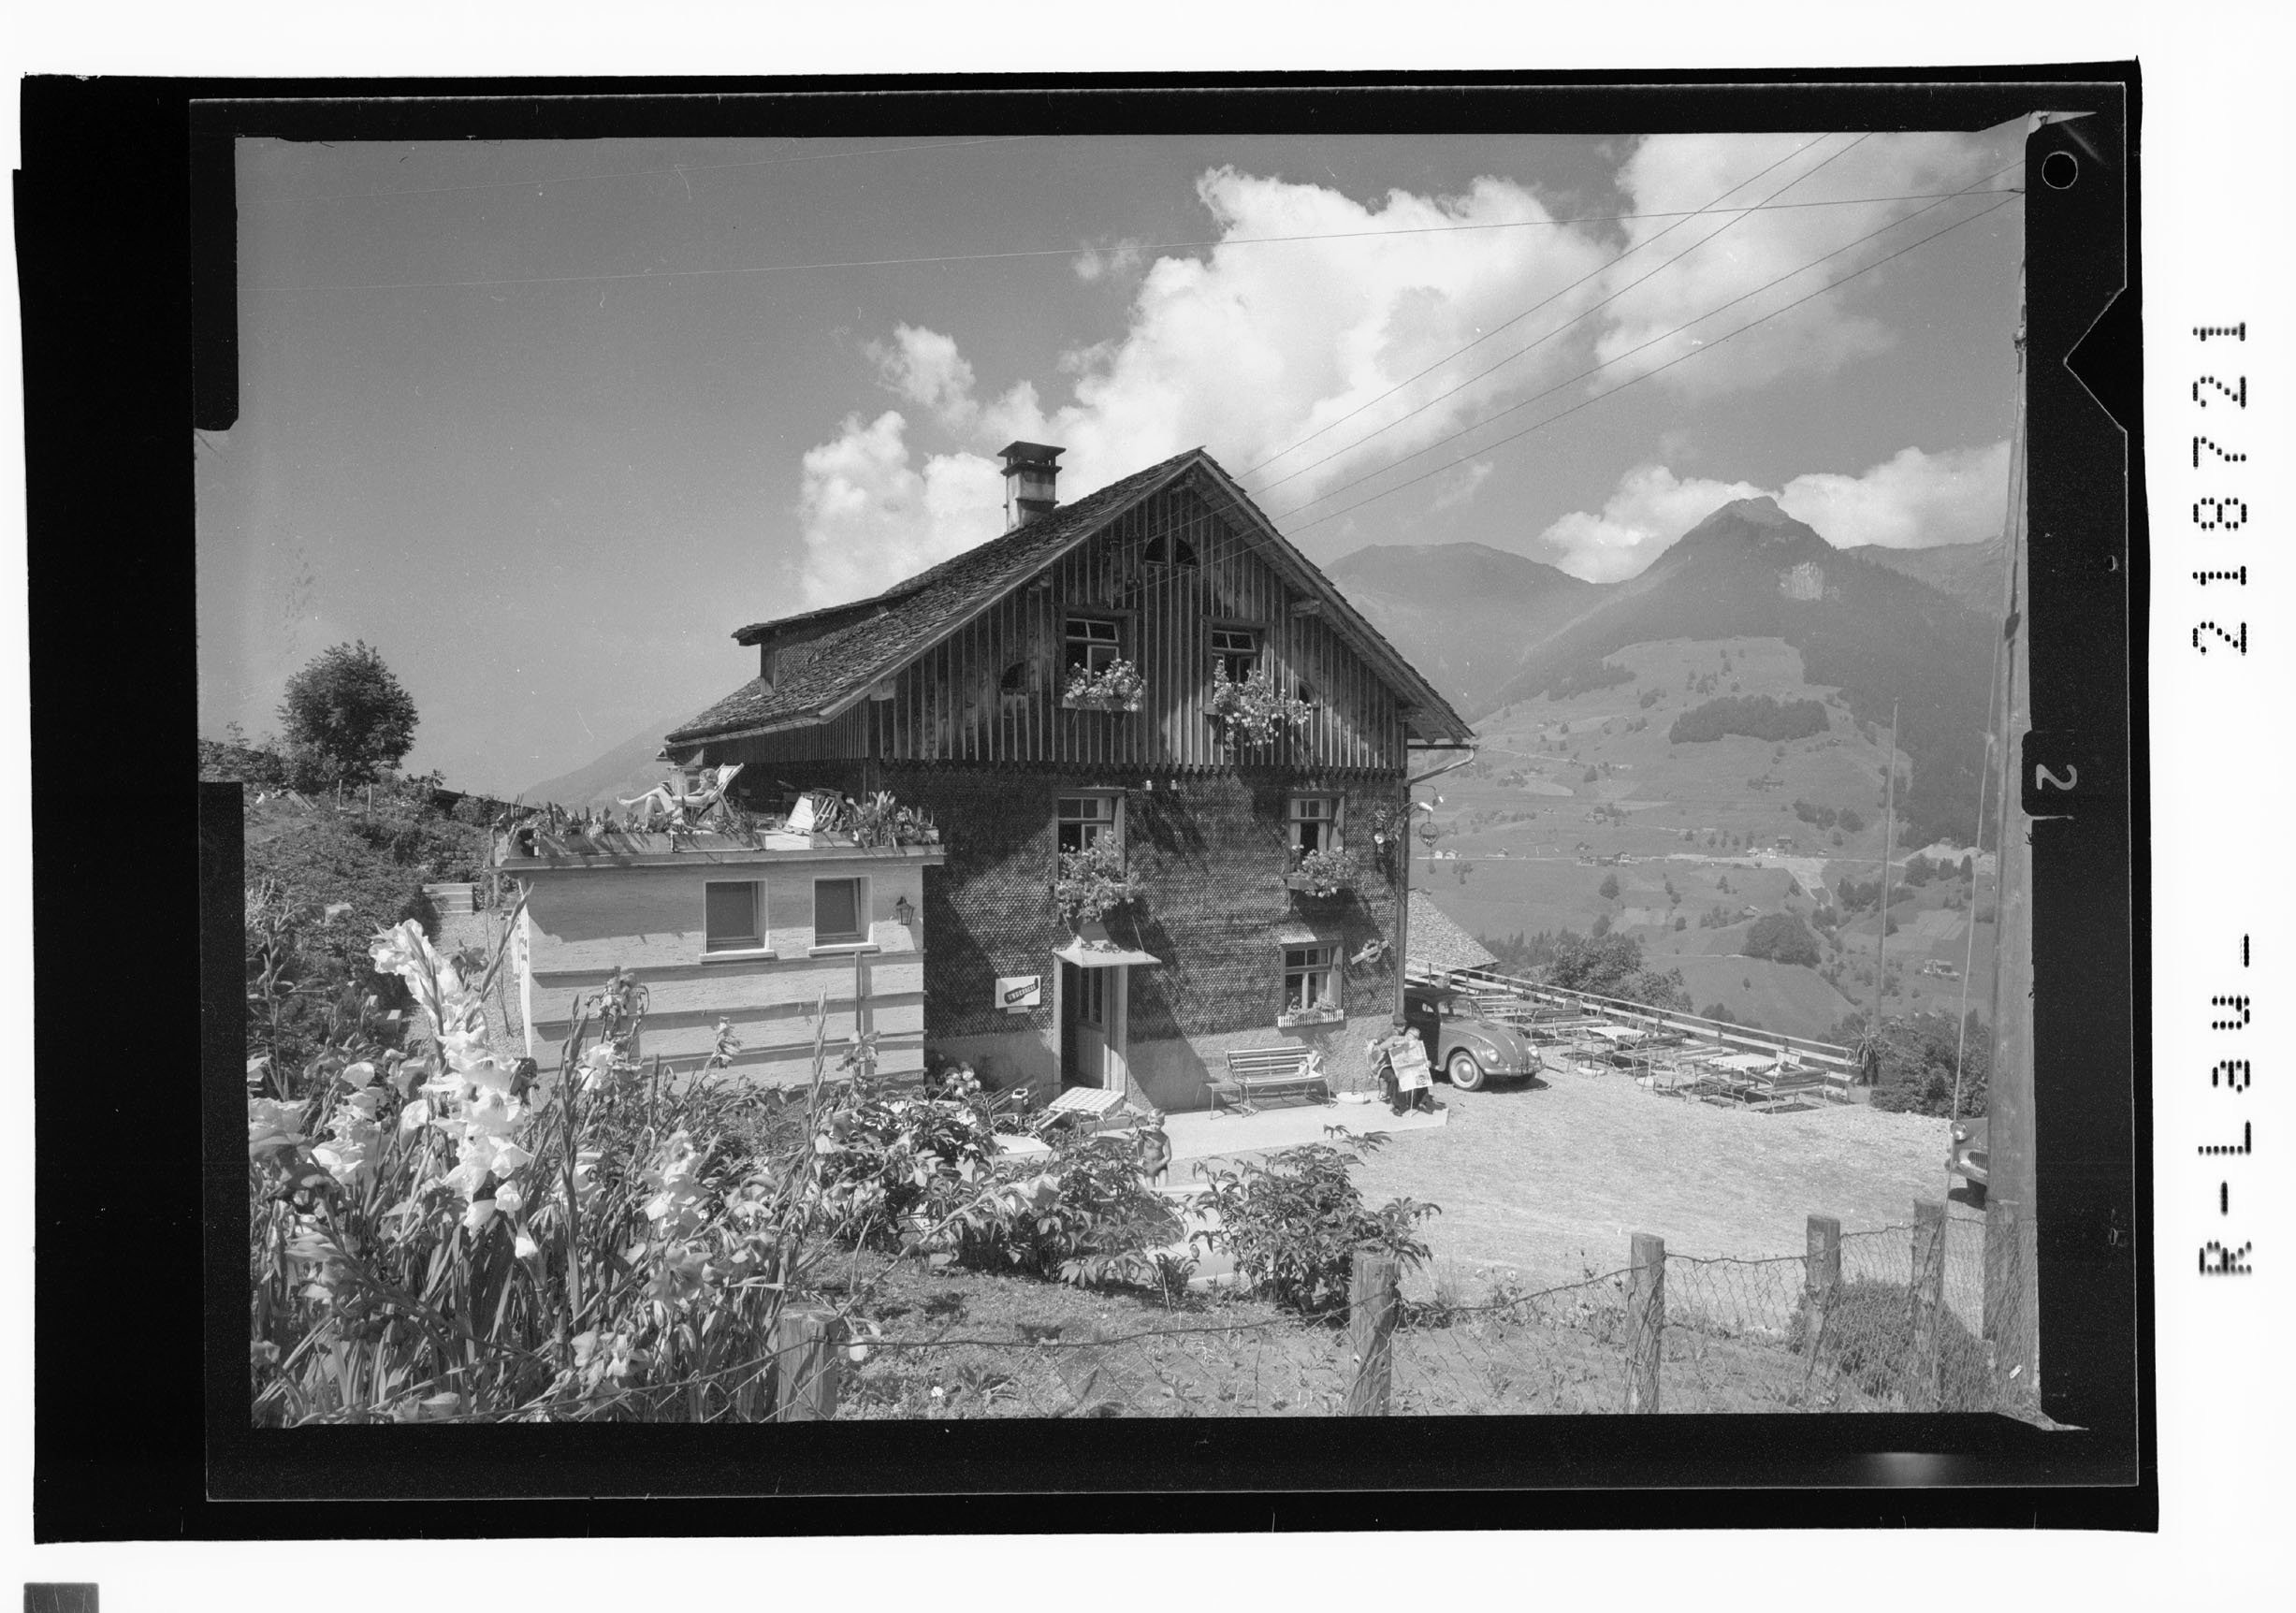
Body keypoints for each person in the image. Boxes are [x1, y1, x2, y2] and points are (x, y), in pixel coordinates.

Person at [1134, 1112, 1171, 1189]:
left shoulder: (1165, 1138)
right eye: (1152, 1123)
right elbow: (1137, 1149)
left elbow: (1168, 1157)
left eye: (1157, 1124)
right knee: (1152, 1191)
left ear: (1163, 1123)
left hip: (1161, 1165)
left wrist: (1157, 1165)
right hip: (1148, 1166)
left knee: (1163, 1190)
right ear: (1149, 1122)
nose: (1154, 1126)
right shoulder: (1144, 1135)